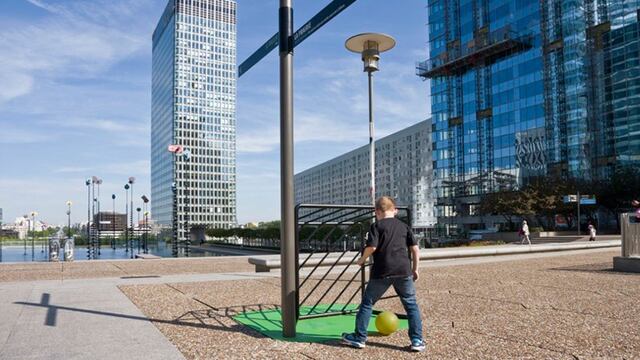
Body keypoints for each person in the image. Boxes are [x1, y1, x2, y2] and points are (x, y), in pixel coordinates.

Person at [341, 196, 425, 352]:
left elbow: (372, 247)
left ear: (377, 211)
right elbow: (415, 249)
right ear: (396, 211)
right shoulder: (404, 226)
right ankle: (417, 340)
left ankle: (359, 338)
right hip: (403, 271)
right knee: (411, 305)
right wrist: (415, 269)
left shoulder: (376, 226)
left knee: (367, 303)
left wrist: (362, 259)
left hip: (382, 271)